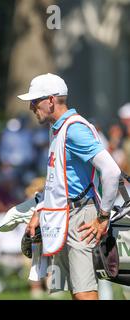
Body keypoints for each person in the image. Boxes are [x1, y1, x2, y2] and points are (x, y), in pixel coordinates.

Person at [19, 73, 121, 300]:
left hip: (81, 216)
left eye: (35, 101)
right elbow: (56, 179)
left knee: (84, 292)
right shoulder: (59, 127)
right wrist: (40, 210)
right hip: (66, 214)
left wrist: (103, 217)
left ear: (51, 101)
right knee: (77, 291)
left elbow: (112, 171)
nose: (30, 107)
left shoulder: (74, 129)